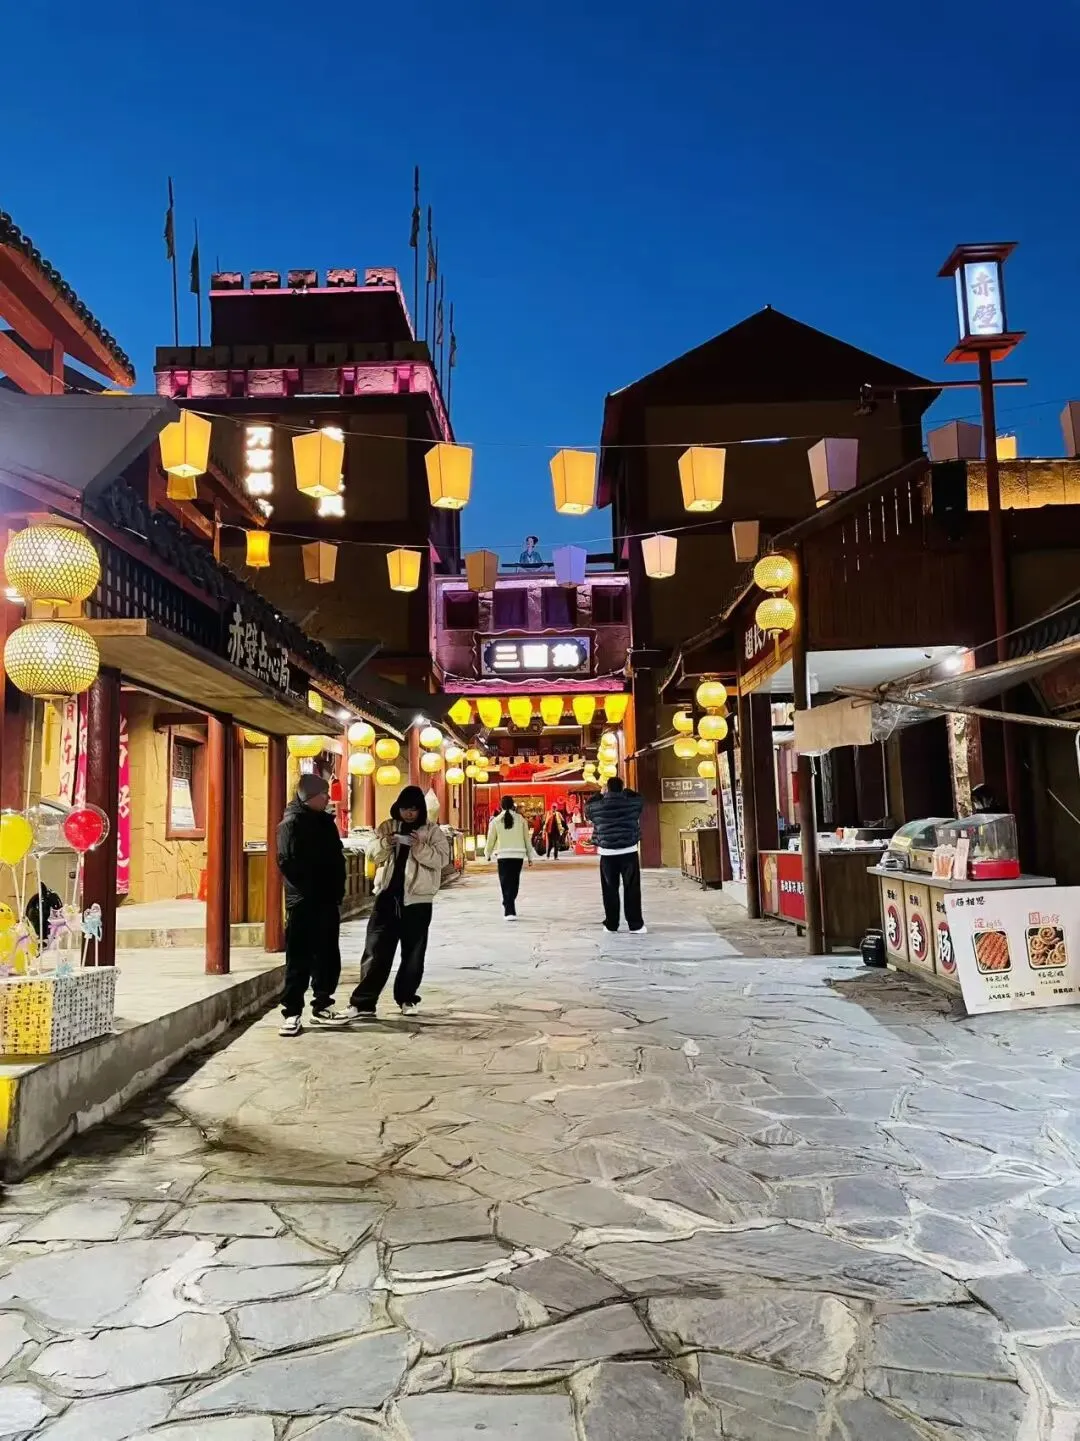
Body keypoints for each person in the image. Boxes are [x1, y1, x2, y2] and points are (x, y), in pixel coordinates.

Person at [343, 786, 449, 1019]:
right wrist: (386, 843)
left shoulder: (432, 831)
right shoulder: (387, 827)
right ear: (397, 808)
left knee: (413, 953)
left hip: (418, 900)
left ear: (420, 810)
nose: (409, 813)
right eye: (404, 809)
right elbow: (372, 854)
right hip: (387, 897)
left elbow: (441, 859)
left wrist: (418, 846)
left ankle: (407, 998)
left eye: (413, 809)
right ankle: (363, 1002)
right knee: (375, 950)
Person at [277, 773, 347, 1036]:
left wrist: (337, 890)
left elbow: (337, 858)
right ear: (309, 797)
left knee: (327, 955)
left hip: (327, 900)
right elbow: (287, 862)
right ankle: (292, 1012)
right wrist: (310, 888)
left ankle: (323, 1004)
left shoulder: (326, 823)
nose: (328, 798)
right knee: (299, 958)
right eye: (323, 794)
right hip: (303, 900)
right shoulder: (291, 823)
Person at [586, 777, 646, 934]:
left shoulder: (597, 806)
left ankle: (611, 924)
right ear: (622, 788)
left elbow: (588, 808)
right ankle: (636, 925)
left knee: (610, 890)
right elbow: (640, 799)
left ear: (607, 788)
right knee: (632, 888)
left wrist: (600, 794)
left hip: (607, 853)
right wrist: (626, 792)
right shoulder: (632, 803)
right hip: (629, 851)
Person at [485, 796, 533, 920]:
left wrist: (487, 854)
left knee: (505, 882)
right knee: (514, 881)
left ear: (501, 806)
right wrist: (530, 856)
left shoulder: (495, 821)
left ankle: (508, 907)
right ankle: (509, 905)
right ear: (513, 806)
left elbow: (491, 839)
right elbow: (527, 839)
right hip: (518, 856)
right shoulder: (521, 820)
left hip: (503, 856)